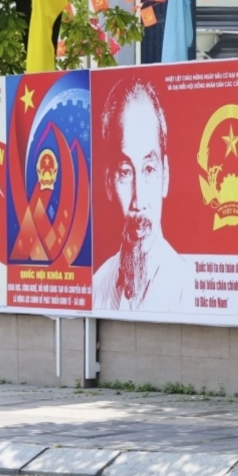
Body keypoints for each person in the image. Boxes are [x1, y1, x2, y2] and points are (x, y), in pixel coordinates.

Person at [93, 79, 192, 311]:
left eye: (149, 169)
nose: (138, 201)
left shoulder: (188, 289)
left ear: (165, 176)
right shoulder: (97, 287)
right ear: (109, 182)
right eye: (126, 172)